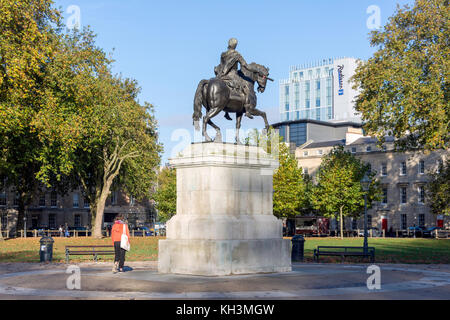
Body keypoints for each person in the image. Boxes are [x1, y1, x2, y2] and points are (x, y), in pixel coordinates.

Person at [214, 38, 254, 120]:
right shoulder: (237, 55)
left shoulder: (223, 54)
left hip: (222, 76)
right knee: (246, 90)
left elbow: (222, 65)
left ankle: (226, 112)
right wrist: (256, 70)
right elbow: (246, 66)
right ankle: (247, 111)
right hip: (233, 76)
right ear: (235, 45)